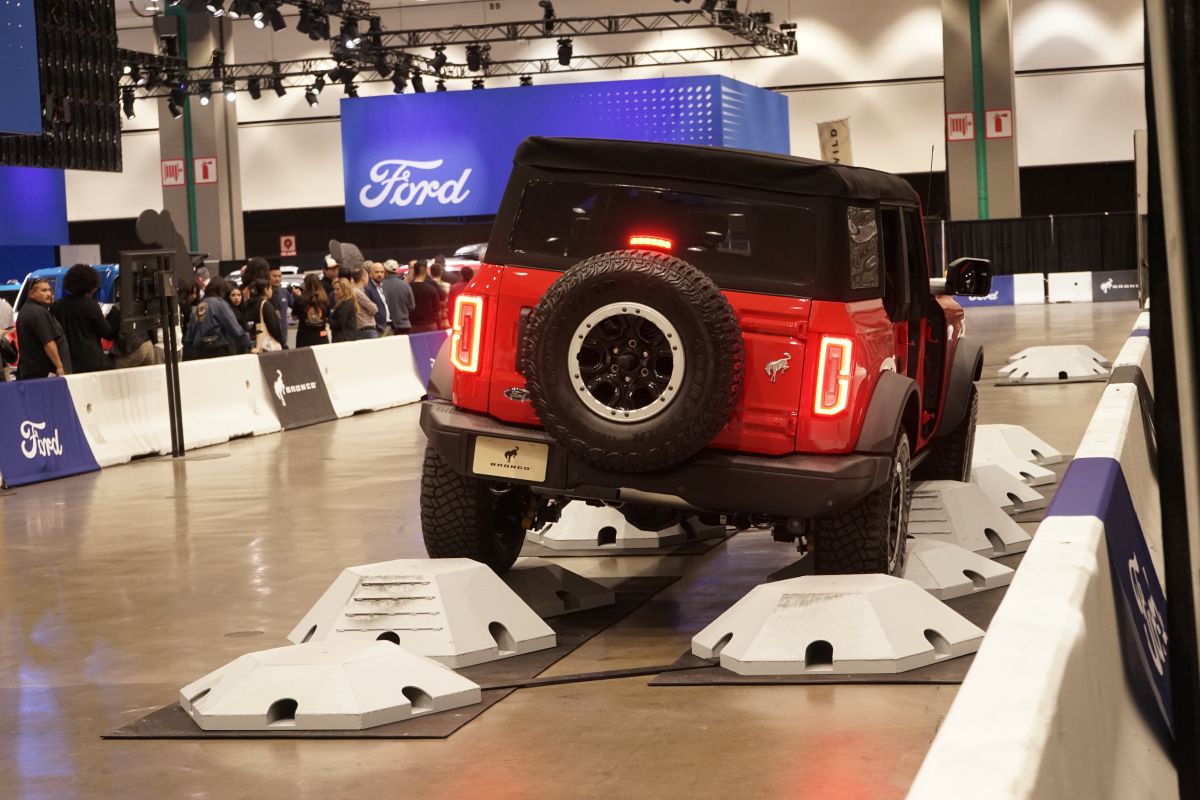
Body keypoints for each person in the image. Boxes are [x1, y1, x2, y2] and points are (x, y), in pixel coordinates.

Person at [50, 264, 114, 374]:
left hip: (66, 362)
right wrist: (113, 317)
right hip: (90, 362)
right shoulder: (91, 305)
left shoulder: (56, 306)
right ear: (90, 286)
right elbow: (107, 333)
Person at [182, 277, 252, 359]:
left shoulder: (198, 306)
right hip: (218, 349)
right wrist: (249, 345)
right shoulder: (220, 304)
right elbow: (234, 326)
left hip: (199, 351)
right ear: (221, 290)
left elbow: (189, 335)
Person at [16, 278, 71, 379]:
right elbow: (48, 341)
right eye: (44, 290)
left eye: (50, 290)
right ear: (32, 294)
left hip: (32, 372)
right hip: (44, 374)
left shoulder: (25, 310)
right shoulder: (38, 312)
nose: (49, 294)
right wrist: (59, 366)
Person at [294, 273, 330, 347]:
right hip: (321, 336)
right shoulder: (325, 299)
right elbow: (327, 316)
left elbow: (294, 317)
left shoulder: (299, 299)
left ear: (305, 285)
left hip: (304, 337)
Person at [248, 278, 284, 351]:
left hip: (251, 343)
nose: (272, 291)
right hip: (265, 344)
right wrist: (282, 341)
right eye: (270, 288)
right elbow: (274, 327)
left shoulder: (248, 304)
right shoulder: (265, 305)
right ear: (265, 290)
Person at [408, 260, 443, 333]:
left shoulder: (408, 288)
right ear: (425, 272)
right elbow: (437, 307)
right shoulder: (431, 288)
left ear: (414, 272)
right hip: (430, 326)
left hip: (413, 326)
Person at [382, 260, 415, 335]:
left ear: (385, 270)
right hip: (405, 325)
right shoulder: (406, 285)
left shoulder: (381, 286)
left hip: (389, 327)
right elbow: (412, 306)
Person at [350, 266, 379, 339]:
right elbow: (374, 309)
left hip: (363, 330)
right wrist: (370, 310)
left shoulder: (357, 291)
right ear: (363, 277)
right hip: (366, 329)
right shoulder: (357, 292)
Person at [268, 267, 294, 347]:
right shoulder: (264, 294)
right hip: (269, 334)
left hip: (283, 333)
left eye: (279, 276)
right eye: (274, 276)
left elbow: (295, 306)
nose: (277, 279)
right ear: (268, 277)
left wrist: (298, 296)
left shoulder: (285, 292)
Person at [330, 277, 358, 343]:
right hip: (346, 338)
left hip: (344, 339)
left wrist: (328, 320)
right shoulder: (347, 302)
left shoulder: (346, 304)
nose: (335, 292)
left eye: (337, 289)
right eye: (334, 289)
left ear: (345, 289)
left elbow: (339, 323)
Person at [367, 261, 390, 335]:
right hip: (378, 328)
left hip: (389, 325)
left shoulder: (384, 286)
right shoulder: (367, 288)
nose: (379, 274)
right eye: (376, 272)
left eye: (381, 272)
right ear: (370, 274)